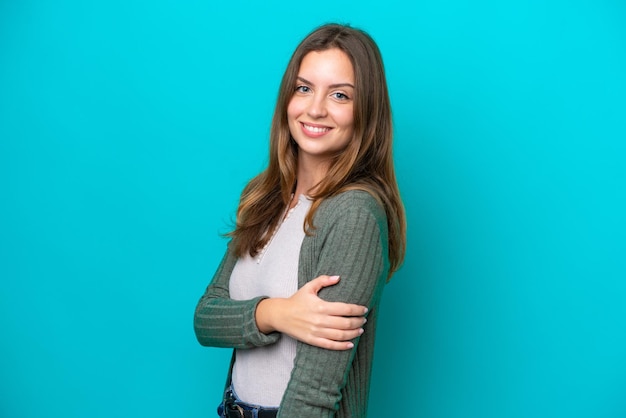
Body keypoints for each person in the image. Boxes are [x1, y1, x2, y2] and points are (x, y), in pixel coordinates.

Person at [194, 22, 406, 418]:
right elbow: (206, 318)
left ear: (366, 112)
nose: (315, 108)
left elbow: (314, 392)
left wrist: (267, 316)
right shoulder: (265, 199)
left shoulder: (353, 215)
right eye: (303, 88)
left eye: (339, 95)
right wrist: (277, 313)